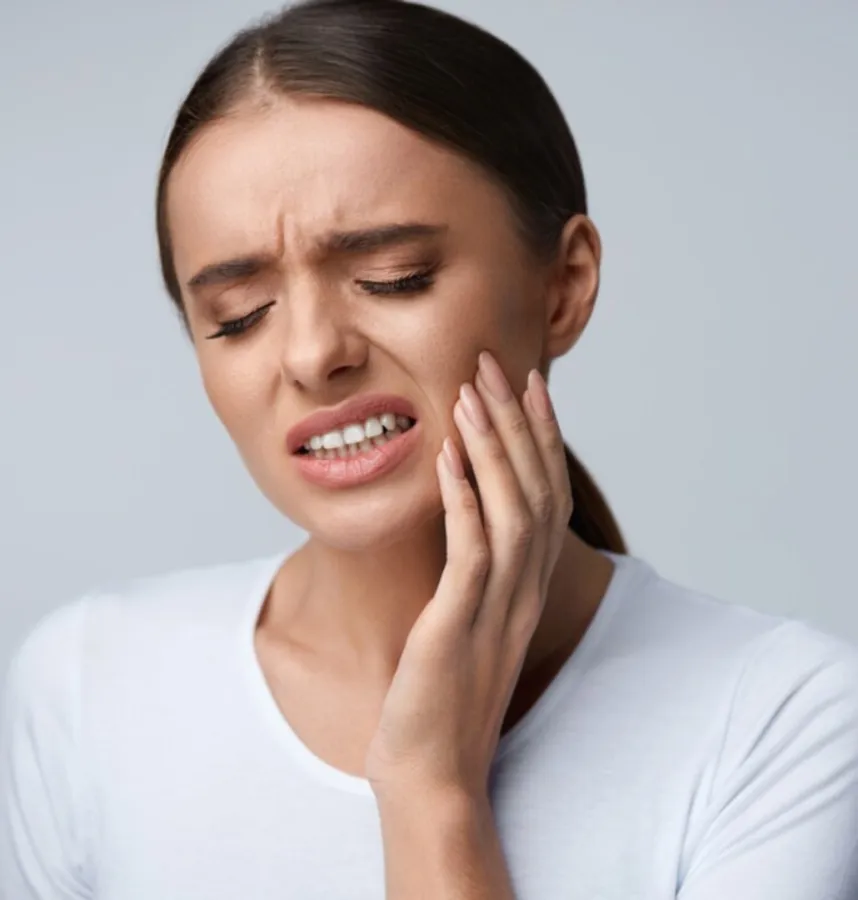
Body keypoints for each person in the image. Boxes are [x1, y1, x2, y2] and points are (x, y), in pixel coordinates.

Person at [2, 0, 857, 896]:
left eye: (393, 278)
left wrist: (431, 791)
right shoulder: (89, 687)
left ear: (564, 286)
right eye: (239, 315)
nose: (310, 354)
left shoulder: (783, 721)